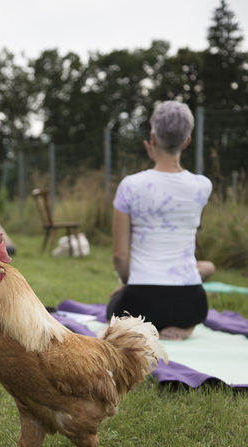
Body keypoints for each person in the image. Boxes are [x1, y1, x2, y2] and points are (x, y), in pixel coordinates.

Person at [106, 100, 215, 340]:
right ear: (187, 141)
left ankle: (149, 326)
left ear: (152, 139)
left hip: (140, 305)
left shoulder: (130, 187)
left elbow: (120, 256)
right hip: (192, 304)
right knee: (184, 306)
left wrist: (127, 283)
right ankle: (186, 327)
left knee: (114, 306)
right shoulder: (202, 186)